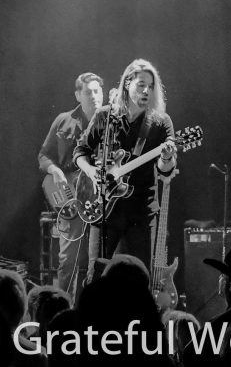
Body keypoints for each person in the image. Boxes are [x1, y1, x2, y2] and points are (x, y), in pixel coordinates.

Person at [74, 60, 176, 278]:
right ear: (127, 83)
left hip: (141, 211)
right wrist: (92, 172)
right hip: (104, 209)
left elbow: (165, 170)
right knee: (96, 276)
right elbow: (80, 152)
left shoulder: (160, 122)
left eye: (150, 86)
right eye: (141, 85)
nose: (146, 91)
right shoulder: (105, 116)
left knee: (141, 277)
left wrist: (166, 158)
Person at [38, 72, 103, 296]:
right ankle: (61, 305)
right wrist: (54, 170)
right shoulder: (63, 120)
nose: (94, 96)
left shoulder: (111, 123)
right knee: (68, 260)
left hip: (100, 201)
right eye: (88, 92)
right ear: (78, 95)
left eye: (97, 91)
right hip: (70, 197)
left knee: (98, 261)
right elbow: (44, 155)